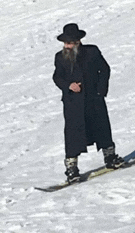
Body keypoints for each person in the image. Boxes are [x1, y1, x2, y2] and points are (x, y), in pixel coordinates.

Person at [53, 23, 124, 183]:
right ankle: (72, 169)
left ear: (78, 41)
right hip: (73, 103)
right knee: (73, 133)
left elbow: (104, 70)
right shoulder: (60, 57)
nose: (67, 46)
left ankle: (110, 157)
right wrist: (68, 86)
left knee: (102, 127)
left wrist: (100, 91)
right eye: (65, 43)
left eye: (69, 42)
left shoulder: (92, 52)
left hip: (94, 99)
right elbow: (57, 77)